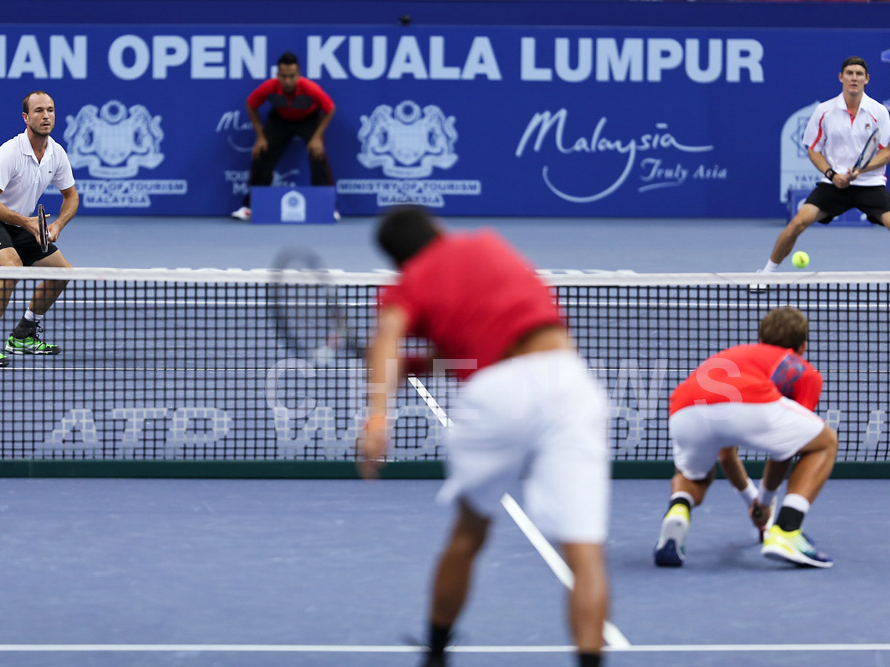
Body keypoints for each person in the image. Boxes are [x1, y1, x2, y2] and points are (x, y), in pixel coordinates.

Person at [358, 206, 611, 667]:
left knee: (468, 533)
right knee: (585, 553)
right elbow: (488, 334)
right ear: (437, 229)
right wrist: (409, 364)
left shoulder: (407, 283)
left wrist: (378, 415)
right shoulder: (489, 245)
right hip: (567, 383)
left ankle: (435, 655)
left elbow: (389, 338)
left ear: (397, 261)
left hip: (496, 396)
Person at [653, 306, 838, 569]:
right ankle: (786, 531)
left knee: (695, 476)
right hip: (748, 406)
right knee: (825, 442)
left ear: (760, 340)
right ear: (803, 347)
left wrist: (752, 501)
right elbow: (786, 450)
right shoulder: (803, 370)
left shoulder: (738, 355)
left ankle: (678, 509)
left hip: (684, 407)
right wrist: (763, 504)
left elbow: (726, 453)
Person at [760, 56, 890, 276]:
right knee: (798, 222)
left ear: (867, 79)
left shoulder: (878, 111)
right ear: (841, 77)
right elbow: (813, 150)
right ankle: (765, 274)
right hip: (833, 185)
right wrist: (832, 175)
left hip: (870, 184)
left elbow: (885, 153)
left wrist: (860, 171)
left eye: (859, 74)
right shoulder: (824, 111)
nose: (854, 78)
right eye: (850, 73)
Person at [0, 90, 78, 367]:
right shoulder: (10, 152)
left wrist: (58, 224)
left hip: (21, 223)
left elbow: (71, 196)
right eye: (39, 111)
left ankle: (24, 333)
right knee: (12, 267)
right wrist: (26, 222)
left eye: (50, 110)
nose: (46, 116)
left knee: (63, 273)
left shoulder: (56, 153)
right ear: (26, 118)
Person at [231, 51, 335, 221]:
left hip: (308, 120)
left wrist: (317, 137)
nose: (287, 81)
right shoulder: (269, 87)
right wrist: (260, 136)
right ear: (278, 75)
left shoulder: (310, 88)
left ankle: (327, 207)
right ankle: (250, 206)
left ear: (298, 75)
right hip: (279, 120)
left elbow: (330, 109)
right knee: (261, 153)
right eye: (283, 76)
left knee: (318, 154)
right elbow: (251, 105)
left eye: (292, 76)